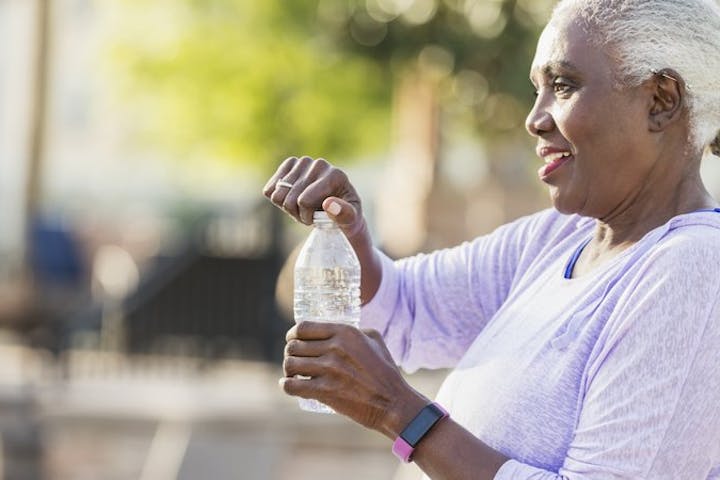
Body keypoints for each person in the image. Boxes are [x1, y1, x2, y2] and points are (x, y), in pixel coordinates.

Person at [262, 0, 720, 478]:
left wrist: (398, 412)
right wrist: (350, 233)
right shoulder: (559, 237)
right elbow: (406, 310)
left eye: (563, 86)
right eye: (537, 89)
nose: (535, 118)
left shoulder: (693, 268)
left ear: (661, 100)